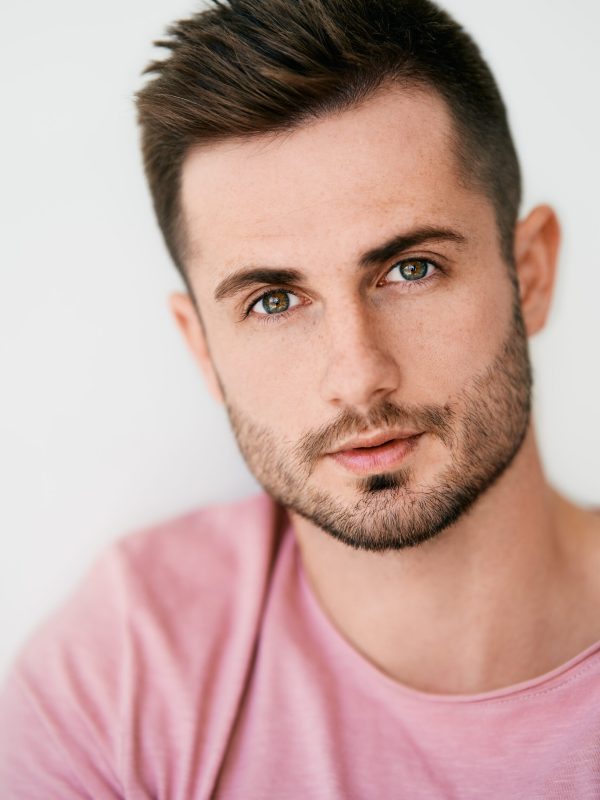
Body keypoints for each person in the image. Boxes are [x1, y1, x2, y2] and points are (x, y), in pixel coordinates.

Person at [1, 0, 599, 796]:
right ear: (201, 348)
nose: (357, 376)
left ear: (530, 273)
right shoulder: (122, 672)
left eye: (410, 269)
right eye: (274, 302)